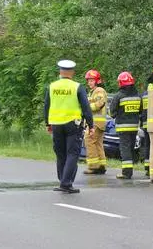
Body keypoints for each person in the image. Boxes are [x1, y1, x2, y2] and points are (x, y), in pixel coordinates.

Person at [44, 60, 94, 194]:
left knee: (60, 154)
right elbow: (86, 107)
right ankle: (66, 183)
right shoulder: (77, 86)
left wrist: (47, 123)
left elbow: (46, 106)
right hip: (73, 124)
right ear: (72, 72)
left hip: (56, 124)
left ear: (60, 72)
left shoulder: (52, 86)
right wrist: (91, 124)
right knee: (72, 153)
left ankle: (62, 180)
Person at [109, 72, 141, 179]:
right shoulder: (137, 96)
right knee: (131, 148)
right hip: (134, 127)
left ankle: (126, 173)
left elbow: (112, 112)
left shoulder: (118, 96)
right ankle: (129, 171)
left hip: (122, 127)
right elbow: (140, 111)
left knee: (125, 149)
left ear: (121, 83)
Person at [83, 69, 108, 175]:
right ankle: (101, 165)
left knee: (89, 140)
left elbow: (100, 103)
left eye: (92, 80)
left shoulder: (99, 90)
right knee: (97, 143)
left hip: (96, 122)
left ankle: (93, 166)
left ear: (97, 80)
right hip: (98, 122)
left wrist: (86, 108)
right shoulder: (93, 91)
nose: (89, 82)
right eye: (88, 80)